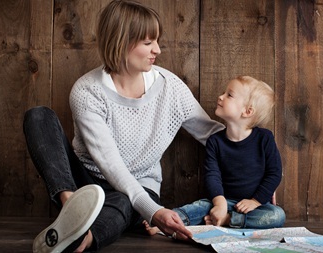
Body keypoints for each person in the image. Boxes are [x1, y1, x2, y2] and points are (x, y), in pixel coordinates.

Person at [23, 0, 224, 252]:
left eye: (156, 41)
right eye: (148, 43)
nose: (158, 50)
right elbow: (111, 165)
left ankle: (79, 240)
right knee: (38, 116)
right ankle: (71, 207)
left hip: (140, 188)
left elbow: (213, 134)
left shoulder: (170, 88)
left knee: (126, 200)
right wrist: (78, 198)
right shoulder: (87, 91)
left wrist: (261, 163)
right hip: (86, 183)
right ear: (121, 42)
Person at [145, 76, 285, 236]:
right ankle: (165, 222)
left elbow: (274, 173)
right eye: (223, 93)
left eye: (229, 95)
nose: (221, 97)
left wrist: (255, 201)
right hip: (222, 200)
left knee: (277, 215)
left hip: (254, 206)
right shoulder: (215, 141)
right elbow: (212, 175)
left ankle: (227, 220)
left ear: (247, 111)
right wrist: (219, 203)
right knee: (198, 207)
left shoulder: (264, 138)